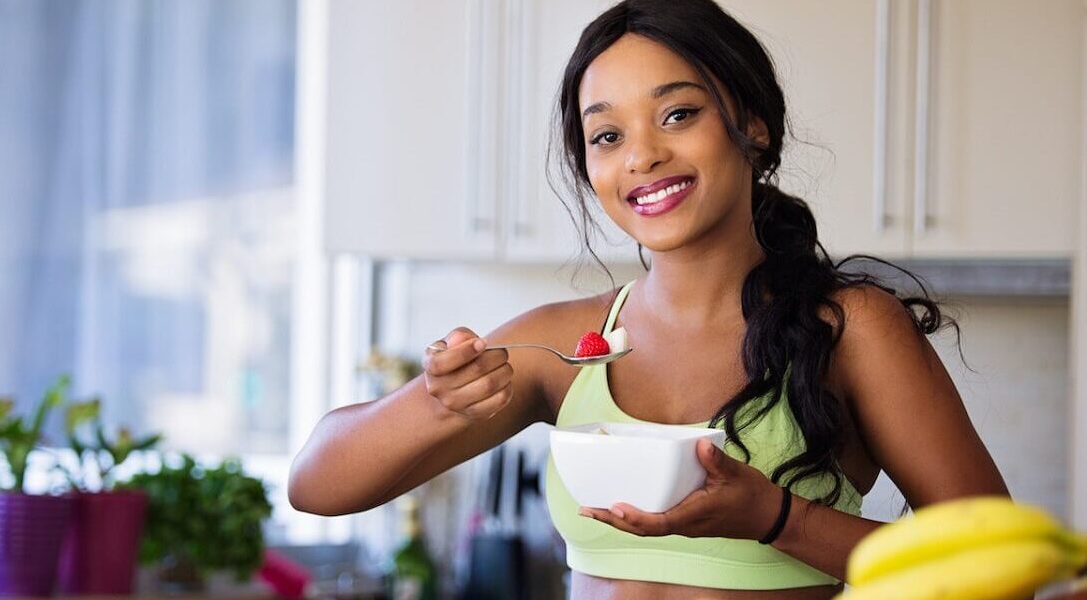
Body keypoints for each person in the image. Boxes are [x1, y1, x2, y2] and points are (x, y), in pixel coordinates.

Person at [288, 0, 1009, 597]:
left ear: (752, 124)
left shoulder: (848, 329)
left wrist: (775, 518)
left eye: (677, 115)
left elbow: (997, 574)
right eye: (606, 134)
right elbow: (317, 485)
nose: (641, 156)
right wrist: (434, 403)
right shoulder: (569, 344)